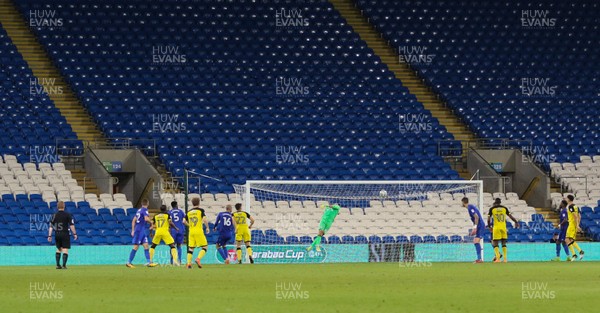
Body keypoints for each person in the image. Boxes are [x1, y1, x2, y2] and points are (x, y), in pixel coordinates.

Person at [487, 198, 519, 263]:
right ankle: (505, 259)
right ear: (500, 202)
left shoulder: (492, 209)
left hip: (496, 228)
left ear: (495, 203)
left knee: (495, 243)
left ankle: (498, 259)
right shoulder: (504, 208)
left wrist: (489, 226)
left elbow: (488, 219)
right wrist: (516, 222)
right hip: (503, 228)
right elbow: (511, 216)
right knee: (504, 243)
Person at [47, 201, 77, 269]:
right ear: (64, 206)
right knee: (65, 249)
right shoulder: (68, 215)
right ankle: (64, 265)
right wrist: (74, 234)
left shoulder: (54, 215)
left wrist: (49, 235)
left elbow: (51, 227)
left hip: (57, 233)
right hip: (65, 233)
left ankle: (57, 265)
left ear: (57, 207)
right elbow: (71, 225)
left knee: (58, 249)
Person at [184, 197, 209, 269]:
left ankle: (188, 264)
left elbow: (184, 221)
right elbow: (204, 219)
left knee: (191, 248)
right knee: (205, 247)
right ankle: (198, 259)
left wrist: (189, 225)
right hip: (198, 231)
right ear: (199, 203)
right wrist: (207, 227)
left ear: (192, 203)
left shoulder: (188, 212)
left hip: (191, 231)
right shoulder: (200, 210)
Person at [126, 199, 152, 268]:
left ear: (141, 203)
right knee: (136, 246)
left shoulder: (139, 210)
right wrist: (152, 222)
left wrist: (132, 230)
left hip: (141, 230)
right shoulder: (145, 210)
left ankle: (149, 262)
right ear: (148, 203)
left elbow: (133, 220)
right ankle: (129, 262)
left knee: (146, 245)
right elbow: (146, 219)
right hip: (139, 230)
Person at [462, 197, 485, 263]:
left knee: (476, 241)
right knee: (475, 241)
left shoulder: (470, 208)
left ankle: (479, 259)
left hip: (480, 225)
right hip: (479, 225)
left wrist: (475, 227)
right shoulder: (471, 207)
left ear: (463, 202)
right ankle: (479, 259)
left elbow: (476, 217)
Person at [565, 195, 584, 260]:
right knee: (570, 240)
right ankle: (577, 253)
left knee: (567, 239)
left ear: (569, 199)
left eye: (566, 198)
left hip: (572, 225)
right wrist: (577, 224)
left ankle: (577, 253)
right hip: (573, 225)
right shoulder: (576, 206)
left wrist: (577, 226)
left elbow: (575, 216)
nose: (566, 199)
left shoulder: (570, 207)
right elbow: (579, 216)